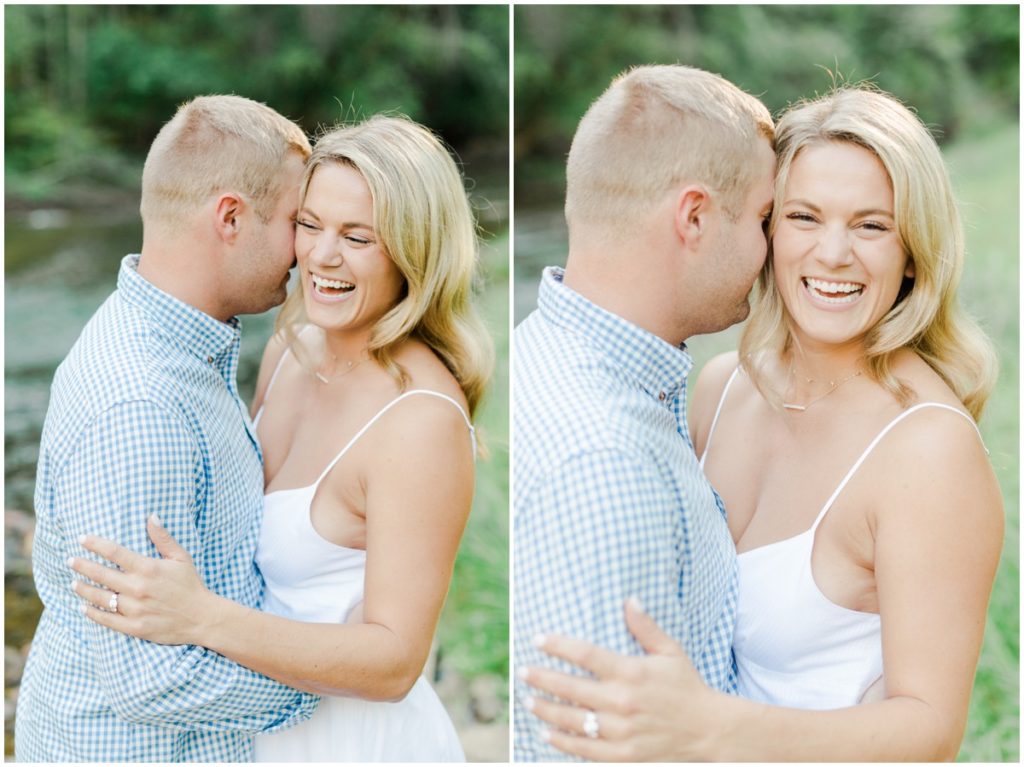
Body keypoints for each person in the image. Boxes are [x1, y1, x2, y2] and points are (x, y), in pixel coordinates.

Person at [520, 85, 1004, 761]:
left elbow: (929, 728)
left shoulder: (927, 450)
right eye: (804, 217)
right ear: (768, 229)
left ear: (913, 250)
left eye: (871, 225)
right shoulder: (721, 390)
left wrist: (712, 726)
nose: (834, 253)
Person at [67, 114, 494, 762]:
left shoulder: (420, 419)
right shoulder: (292, 349)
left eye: (357, 236)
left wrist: (203, 617)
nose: (321, 256)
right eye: (310, 223)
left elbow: (395, 660)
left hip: (354, 741)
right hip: (248, 729)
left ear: (414, 249)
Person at [15, 95, 318, 762]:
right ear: (231, 217)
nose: (307, 249)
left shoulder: (174, 345)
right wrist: (329, 688)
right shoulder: (142, 404)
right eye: (298, 222)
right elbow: (150, 679)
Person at [512, 64, 776, 760]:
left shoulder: (543, 347)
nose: (771, 249)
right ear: (693, 217)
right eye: (762, 218)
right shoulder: (609, 463)